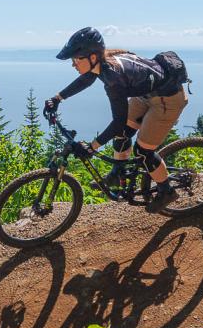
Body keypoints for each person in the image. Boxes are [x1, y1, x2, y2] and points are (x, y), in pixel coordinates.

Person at [43, 27, 189, 211]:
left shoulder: (113, 78)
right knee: (121, 134)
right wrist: (57, 98)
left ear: (93, 57)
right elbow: (87, 79)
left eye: (75, 59)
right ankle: (117, 171)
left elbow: (118, 120)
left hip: (168, 100)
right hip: (147, 94)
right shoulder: (103, 62)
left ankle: (166, 191)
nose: (73, 64)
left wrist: (93, 146)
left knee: (143, 151)